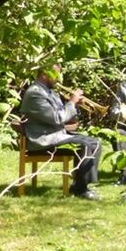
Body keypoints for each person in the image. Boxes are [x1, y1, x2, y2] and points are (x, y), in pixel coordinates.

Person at [20, 63, 102, 200]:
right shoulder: (35, 93)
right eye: (56, 74)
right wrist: (71, 103)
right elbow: (57, 118)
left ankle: (80, 185)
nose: (59, 78)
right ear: (44, 74)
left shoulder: (50, 92)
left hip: (55, 134)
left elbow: (64, 116)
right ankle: (81, 189)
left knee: (94, 142)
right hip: (43, 139)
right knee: (86, 145)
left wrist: (75, 105)